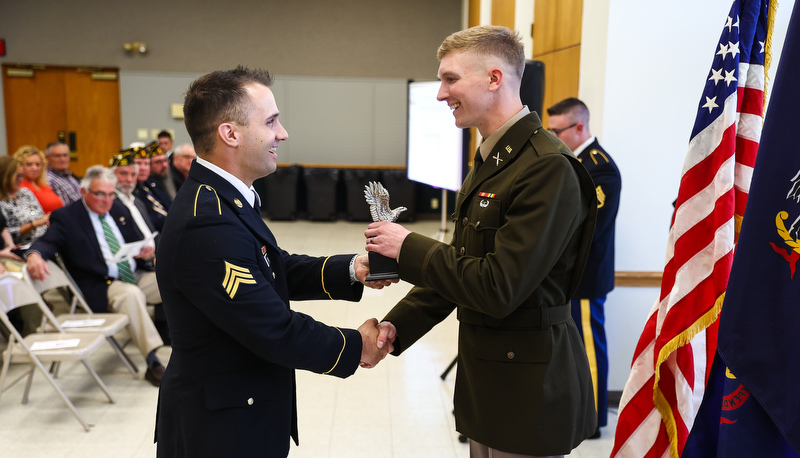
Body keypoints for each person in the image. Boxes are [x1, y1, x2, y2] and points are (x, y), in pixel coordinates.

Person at [364, 25, 598, 457]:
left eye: (450, 79)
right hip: (488, 379)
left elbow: (497, 286)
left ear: (494, 79)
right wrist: (399, 325)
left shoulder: (546, 167)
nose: (440, 93)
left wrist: (407, 247)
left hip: (529, 386)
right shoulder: (493, 158)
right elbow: (461, 265)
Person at [154, 66, 396, 458]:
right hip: (220, 429)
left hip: (242, 409)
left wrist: (352, 268)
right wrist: (355, 346)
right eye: (270, 122)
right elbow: (273, 328)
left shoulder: (225, 197)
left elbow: (269, 266)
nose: (282, 133)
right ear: (229, 134)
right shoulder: (206, 220)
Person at [25, 166, 168, 386]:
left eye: (111, 194)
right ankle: (153, 362)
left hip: (134, 273)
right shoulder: (67, 217)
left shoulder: (118, 208)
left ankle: (182, 338)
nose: (106, 200)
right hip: (103, 284)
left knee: (176, 280)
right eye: (100, 194)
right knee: (130, 295)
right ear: (84, 192)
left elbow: (135, 239)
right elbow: (47, 241)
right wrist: (35, 254)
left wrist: (145, 252)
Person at [546, 97, 621, 439]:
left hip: (587, 276)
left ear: (579, 128)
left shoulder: (600, 167)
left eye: (556, 130)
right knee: (574, 345)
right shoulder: (572, 161)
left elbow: (590, 228)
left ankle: (593, 419)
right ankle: (578, 407)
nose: (552, 136)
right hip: (567, 275)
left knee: (590, 346)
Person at [0, 156, 49, 250]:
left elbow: (42, 218)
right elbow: (4, 234)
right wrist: (34, 224)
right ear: (5, 177)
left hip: (42, 243)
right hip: (21, 248)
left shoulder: (25, 193)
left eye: (22, 175)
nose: (21, 179)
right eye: (17, 176)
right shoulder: (2, 201)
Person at [14, 145, 64, 213]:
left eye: (38, 164)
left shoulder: (42, 184)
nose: (34, 168)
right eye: (29, 164)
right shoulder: (19, 186)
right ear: (19, 166)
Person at [132, 144, 170, 232]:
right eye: (138, 163)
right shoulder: (132, 191)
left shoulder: (152, 183)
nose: (143, 168)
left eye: (146, 164)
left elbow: (171, 206)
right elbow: (152, 221)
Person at [45, 141, 82, 205]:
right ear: (47, 158)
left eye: (65, 155)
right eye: (57, 156)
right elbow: (62, 209)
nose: (62, 159)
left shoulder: (69, 176)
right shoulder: (49, 180)